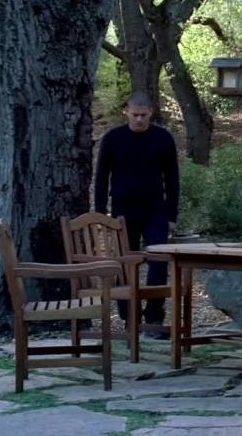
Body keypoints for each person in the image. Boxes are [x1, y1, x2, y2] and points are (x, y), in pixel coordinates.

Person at [94, 91, 179, 338]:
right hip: (122, 210)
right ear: (127, 112)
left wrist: (172, 214)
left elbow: (172, 178)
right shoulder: (113, 138)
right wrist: (101, 214)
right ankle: (130, 317)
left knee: (159, 261)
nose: (139, 119)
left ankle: (154, 317)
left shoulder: (163, 138)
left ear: (151, 112)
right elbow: (101, 177)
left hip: (155, 209)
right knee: (123, 264)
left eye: (143, 115)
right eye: (135, 115)